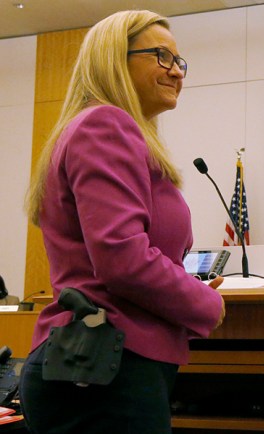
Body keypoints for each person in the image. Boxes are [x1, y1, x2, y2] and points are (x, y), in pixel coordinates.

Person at [19, 11, 225, 434]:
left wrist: (187, 286)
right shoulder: (105, 124)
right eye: (162, 56)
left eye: (179, 61)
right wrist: (206, 303)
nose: (176, 72)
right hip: (101, 372)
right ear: (114, 60)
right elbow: (122, 259)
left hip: (104, 367)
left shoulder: (105, 130)